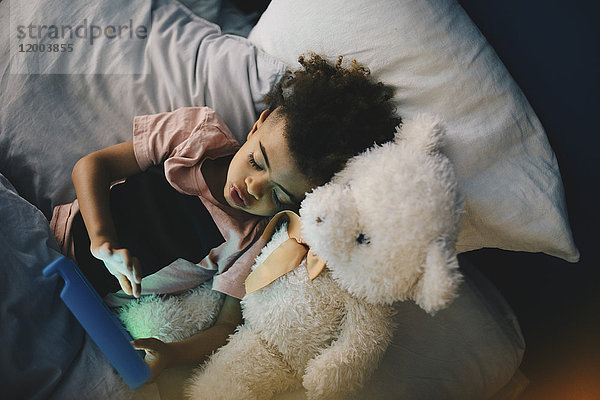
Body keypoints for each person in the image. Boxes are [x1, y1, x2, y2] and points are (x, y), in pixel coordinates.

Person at [50, 53, 401, 380]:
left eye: (278, 194)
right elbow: (92, 166)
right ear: (258, 125)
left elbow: (226, 327)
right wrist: (102, 239)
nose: (253, 187)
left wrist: (173, 355)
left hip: (93, 308)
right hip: (55, 238)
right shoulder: (196, 136)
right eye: (257, 161)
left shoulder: (253, 241)